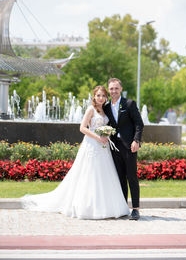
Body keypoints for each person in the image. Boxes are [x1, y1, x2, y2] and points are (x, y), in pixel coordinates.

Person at [22, 86, 130, 219]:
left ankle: (108, 207)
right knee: (90, 173)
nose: (101, 98)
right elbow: (82, 128)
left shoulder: (104, 109)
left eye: (103, 95)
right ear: (94, 97)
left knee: (104, 174)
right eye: (98, 95)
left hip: (103, 147)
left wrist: (106, 135)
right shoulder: (91, 109)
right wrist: (98, 137)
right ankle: (87, 207)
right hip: (92, 144)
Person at [104, 78, 144, 220]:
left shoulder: (129, 104)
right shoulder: (106, 107)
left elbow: (139, 124)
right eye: (111, 89)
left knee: (131, 177)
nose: (113, 91)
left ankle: (136, 209)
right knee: (120, 178)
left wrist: (136, 140)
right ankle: (123, 208)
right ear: (108, 90)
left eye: (116, 88)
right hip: (114, 147)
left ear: (121, 89)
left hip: (129, 146)